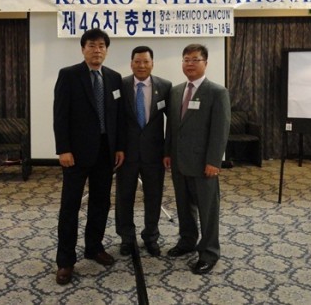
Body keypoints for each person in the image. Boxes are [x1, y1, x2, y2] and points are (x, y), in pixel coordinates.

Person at [53, 28, 125, 285]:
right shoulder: (69, 75)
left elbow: (117, 117)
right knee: (70, 207)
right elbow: (60, 115)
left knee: (100, 203)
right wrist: (63, 149)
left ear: (107, 50)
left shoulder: (114, 78)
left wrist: (119, 147)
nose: (97, 50)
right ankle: (65, 261)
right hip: (75, 154)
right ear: (83, 49)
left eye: (102, 46)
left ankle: (94, 247)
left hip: (105, 152)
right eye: (92, 45)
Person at [163, 43, 231, 275]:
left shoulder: (217, 92)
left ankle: (209, 252)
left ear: (205, 63)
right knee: (184, 207)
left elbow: (220, 130)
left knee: (207, 210)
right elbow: (173, 127)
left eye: (195, 60)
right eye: (186, 60)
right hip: (179, 162)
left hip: (204, 164)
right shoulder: (176, 91)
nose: (189, 64)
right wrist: (168, 152)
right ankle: (187, 241)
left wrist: (214, 161)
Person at [115, 46, 171, 257]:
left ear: (152, 63)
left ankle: (151, 237)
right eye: (137, 62)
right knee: (124, 197)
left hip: (154, 154)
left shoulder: (165, 86)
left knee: (154, 197)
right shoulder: (121, 85)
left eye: (146, 62)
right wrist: (117, 148)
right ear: (131, 63)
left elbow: (172, 123)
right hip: (126, 154)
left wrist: (168, 151)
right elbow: (115, 119)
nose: (141, 66)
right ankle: (127, 238)